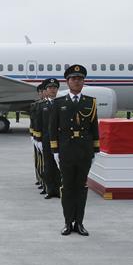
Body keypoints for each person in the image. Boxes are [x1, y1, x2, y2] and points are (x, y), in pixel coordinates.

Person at [49, 64, 99, 237]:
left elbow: (94, 128)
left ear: (84, 82)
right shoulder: (58, 103)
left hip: (84, 151)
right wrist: (55, 151)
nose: (77, 81)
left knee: (82, 188)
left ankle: (79, 222)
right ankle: (67, 222)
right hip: (66, 151)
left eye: (80, 79)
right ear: (67, 82)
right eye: (73, 79)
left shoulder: (90, 102)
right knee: (67, 187)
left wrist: (96, 151)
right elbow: (52, 129)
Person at [36, 77, 61, 199]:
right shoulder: (42, 106)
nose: (52, 90)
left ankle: (60, 189)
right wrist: (37, 139)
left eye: (54, 88)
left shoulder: (62, 104)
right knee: (48, 165)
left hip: (60, 140)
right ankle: (50, 190)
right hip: (46, 140)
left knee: (60, 166)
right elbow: (38, 124)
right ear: (46, 90)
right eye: (50, 88)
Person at [31, 83, 47, 194]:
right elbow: (34, 122)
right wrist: (34, 136)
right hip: (40, 137)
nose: (42, 93)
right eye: (40, 92)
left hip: (49, 137)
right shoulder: (37, 105)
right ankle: (42, 180)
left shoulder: (54, 104)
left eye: (43, 91)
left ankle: (48, 184)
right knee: (40, 161)